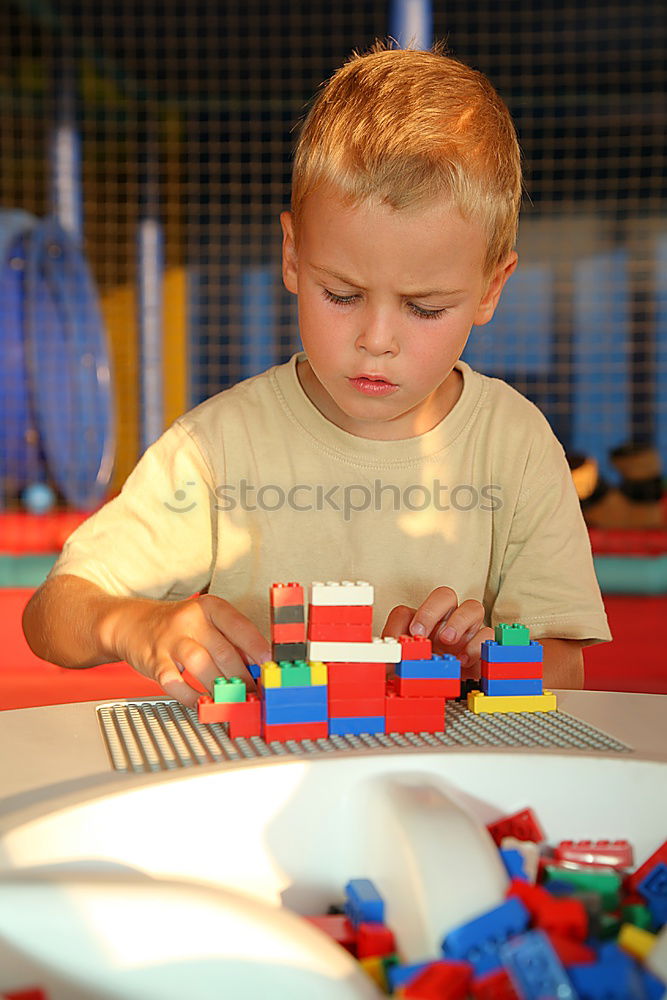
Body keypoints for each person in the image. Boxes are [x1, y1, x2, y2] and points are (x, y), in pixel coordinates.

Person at [23, 40, 611, 706]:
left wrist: (484, 662)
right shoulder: (218, 449)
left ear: (489, 289)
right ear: (293, 256)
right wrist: (140, 623)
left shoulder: (514, 443)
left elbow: (567, 667)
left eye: (423, 307)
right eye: (341, 294)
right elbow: (52, 614)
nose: (376, 340)